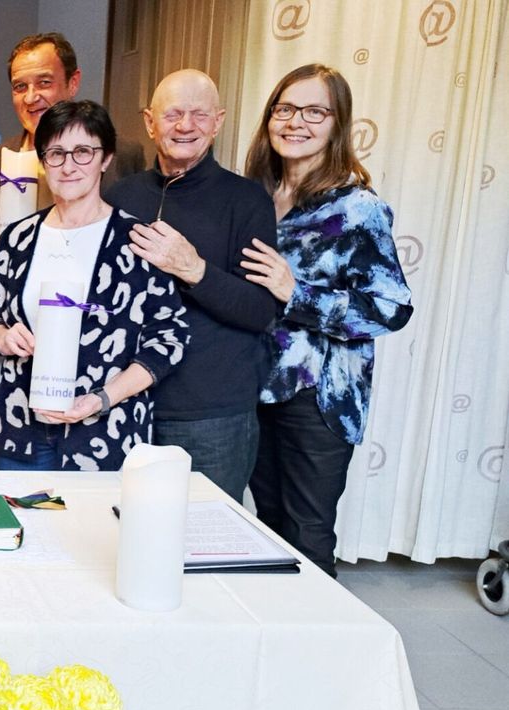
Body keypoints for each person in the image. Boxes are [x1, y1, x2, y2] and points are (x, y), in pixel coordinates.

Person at [239, 64, 413, 576]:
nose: (297, 122)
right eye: (286, 108)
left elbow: (391, 308)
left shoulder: (359, 208)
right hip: (255, 387)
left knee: (308, 534)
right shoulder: (257, 196)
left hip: (319, 400)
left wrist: (297, 293)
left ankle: (317, 651)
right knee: (266, 527)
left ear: (338, 124)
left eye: (315, 111)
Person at [0, 100, 188, 470]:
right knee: (17, 527)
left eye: (83, 151)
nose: (69, 165)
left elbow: (169, 340)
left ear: (105, 157)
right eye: (56, 153)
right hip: (18, 433)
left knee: (91, 529)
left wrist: (102, 399)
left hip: (105, 435)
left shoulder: (137, 241)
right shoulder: (17, 239)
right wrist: (3, 337)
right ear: (42, 162)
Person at [104, 69, 278, 501]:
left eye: (199, 115)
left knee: (205, 540)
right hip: (127, 403)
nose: (185, 126)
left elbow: (260, 311)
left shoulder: (247, 200)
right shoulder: (121, 196)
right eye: (173, 114)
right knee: (120, 531)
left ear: (218, 122)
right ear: (149, 122)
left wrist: (194, 268)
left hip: (211, 415)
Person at [0, 32, 144, 242]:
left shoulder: (123, 156)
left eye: (44, 83)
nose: (30, 97)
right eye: (20, 87)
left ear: (73, 83)